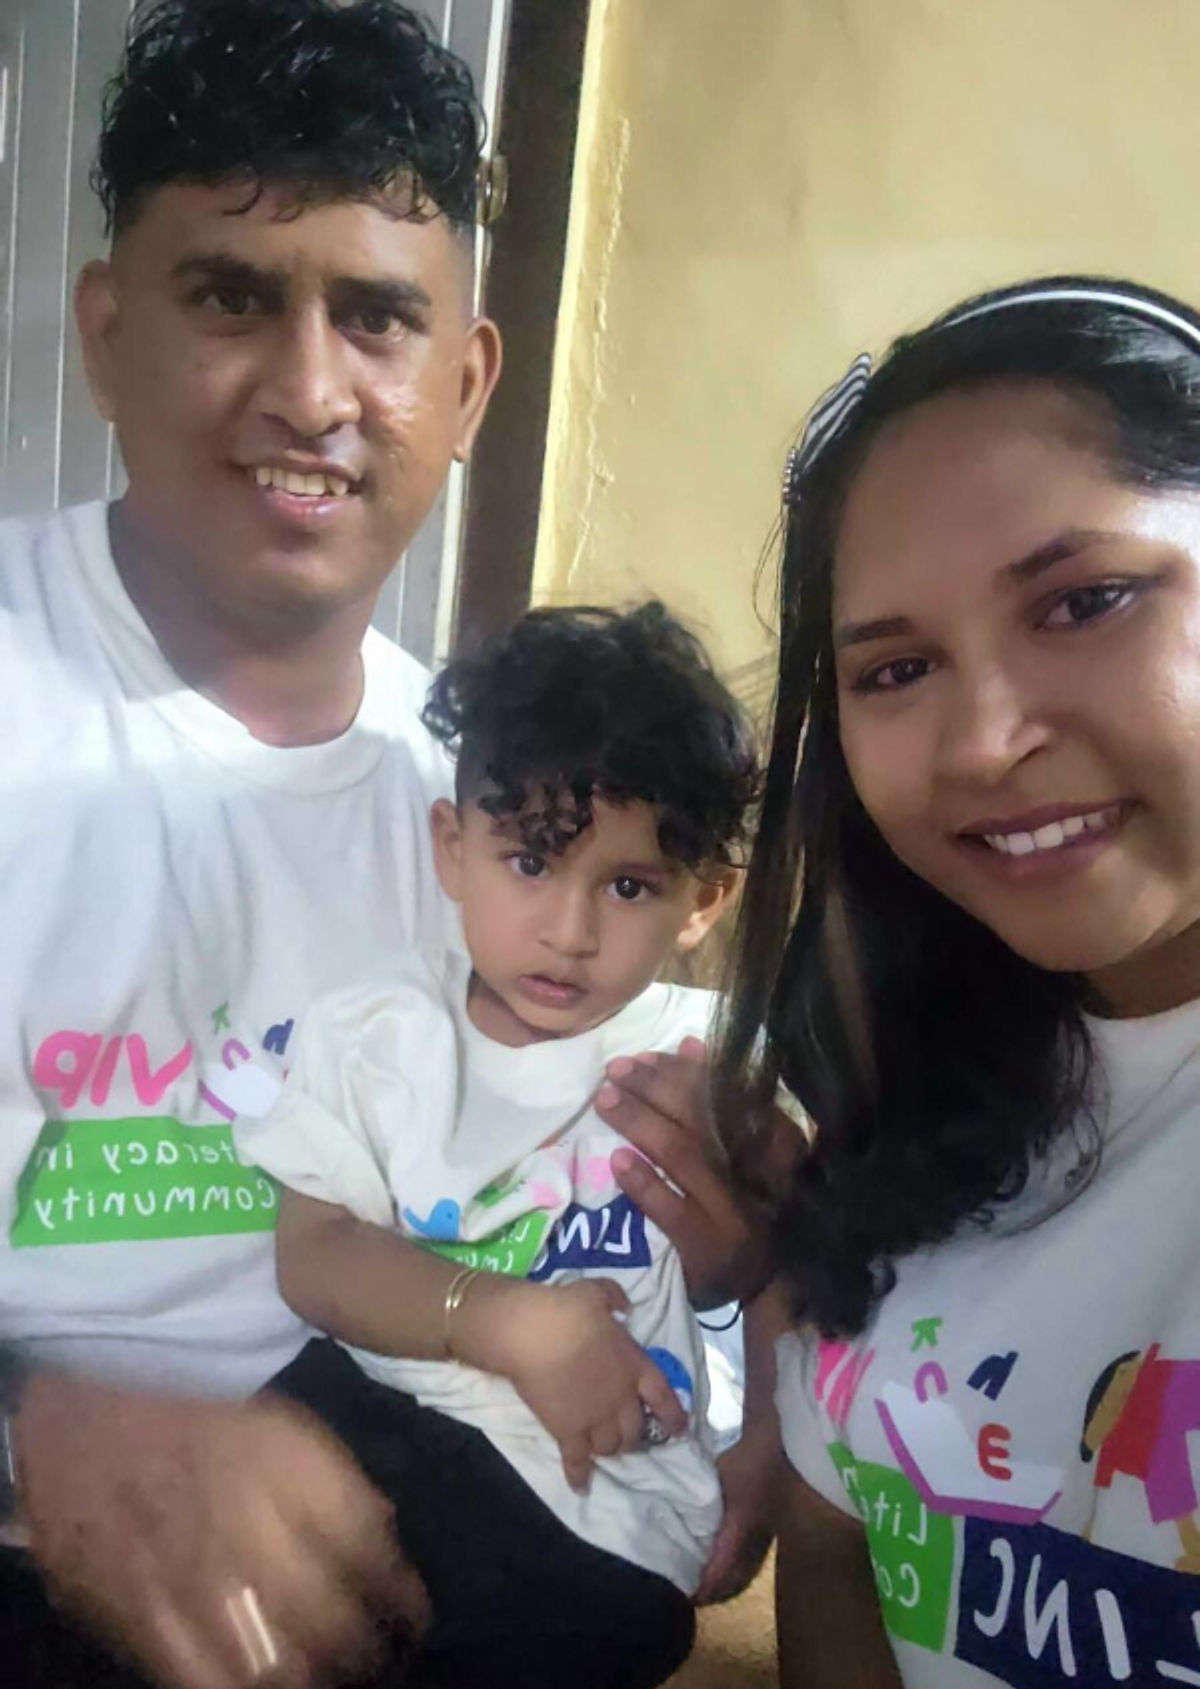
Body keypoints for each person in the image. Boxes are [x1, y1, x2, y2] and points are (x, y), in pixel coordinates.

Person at [712, 276, 1200, 1689]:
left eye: (1083, 602)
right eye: (898, 668)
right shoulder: (905, 1081)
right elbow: (838, 1545)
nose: (983, 741)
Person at [235, 601, 760, 1686]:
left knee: (581, 1627)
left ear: (701, 900)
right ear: (453, 849)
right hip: (377, 1409)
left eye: (627, 886)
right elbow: (315, 1253)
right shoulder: (374, 1033)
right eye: (529, 862)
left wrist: (767, 1458)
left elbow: (801, 1285)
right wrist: (506, 1321)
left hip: (594, 1500)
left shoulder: (705, 1067)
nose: (569, 931)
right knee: (221, 1538)